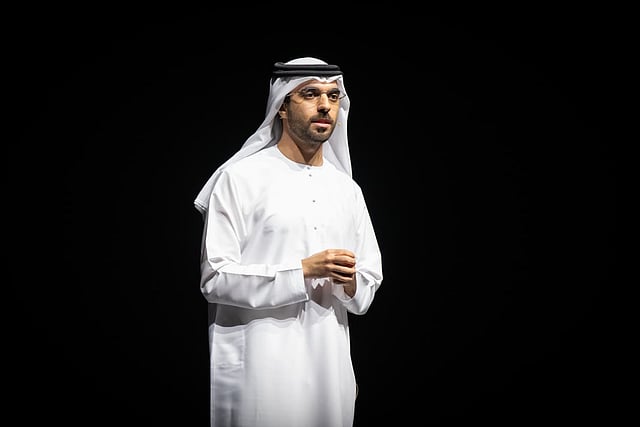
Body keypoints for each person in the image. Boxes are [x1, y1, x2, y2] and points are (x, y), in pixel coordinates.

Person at [194, 57, 383, 427]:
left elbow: (368, 284)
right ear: (282, 105)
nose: (325, 105)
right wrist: (302, 272)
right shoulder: (240, 178)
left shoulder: (346, 190)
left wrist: (350, 282)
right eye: (310, 94)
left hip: (329, 367)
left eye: (333, 96)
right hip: (260, 367)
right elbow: (215, 278)